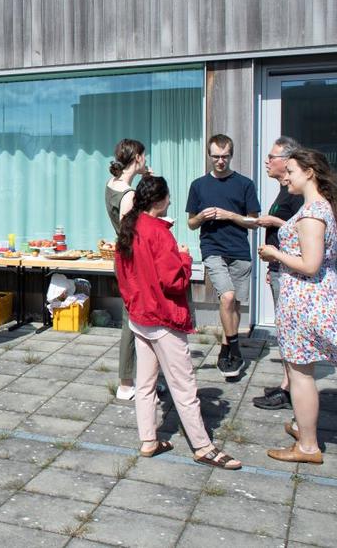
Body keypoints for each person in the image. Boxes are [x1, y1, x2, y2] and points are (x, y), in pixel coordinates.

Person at [116, 176, 241, 470]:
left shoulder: (129, 227)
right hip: (163, 317)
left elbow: (122, 274)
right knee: (184, 386)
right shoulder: (159, 233)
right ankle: (203, 447)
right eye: (168, 197)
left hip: (140, 316)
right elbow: (174, 282)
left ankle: (149, 440)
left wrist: (133, 304)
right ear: (159, 201)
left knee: (145, 384)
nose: (171, 201)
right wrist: (184, 258)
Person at [258, 148, 337, 464]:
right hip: (308, 297)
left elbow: (311, 265)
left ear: (309, 172)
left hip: (305, 299)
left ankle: (308, 446)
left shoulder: (313, 213)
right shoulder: (318, 206)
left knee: (300, 374)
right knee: (302, 370)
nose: (285, 177)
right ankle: (305, 430)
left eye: (290, 171)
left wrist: (275, 253)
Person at [186, 133, 260, 379]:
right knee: (227, 297)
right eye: (216, 156)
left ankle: (226, 348)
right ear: (209, 155)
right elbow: (191, 224)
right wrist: (201, 217)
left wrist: (230, 215)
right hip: (212, 249)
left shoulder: (245, 184)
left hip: (239, 250)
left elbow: (254, 222)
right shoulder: (198, 185)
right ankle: (236, 350)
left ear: (231, 155)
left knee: (234, 304)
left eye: (225, 156)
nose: (220, 161)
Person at [252, 136, 304, 411]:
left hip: (289, 270)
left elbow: (304, 230)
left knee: (289, 332)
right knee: (284, 330)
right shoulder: (285, 190)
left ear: (287, 161)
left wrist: (273, 221)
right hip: (279, 268)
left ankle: (291, 390)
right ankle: (287, 385)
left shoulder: (296, 193)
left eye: (272, 157)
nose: (267, 161)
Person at [104, 138, 148, 400]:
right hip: (131, 261)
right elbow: (129, 235)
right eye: (144, 156)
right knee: (132, 320)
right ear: (138, 158)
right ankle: (126, 383)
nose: (146, 159)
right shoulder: (129, 195)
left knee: (133, 318)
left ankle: (138, 378)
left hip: (122, 260)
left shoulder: (112, 184)